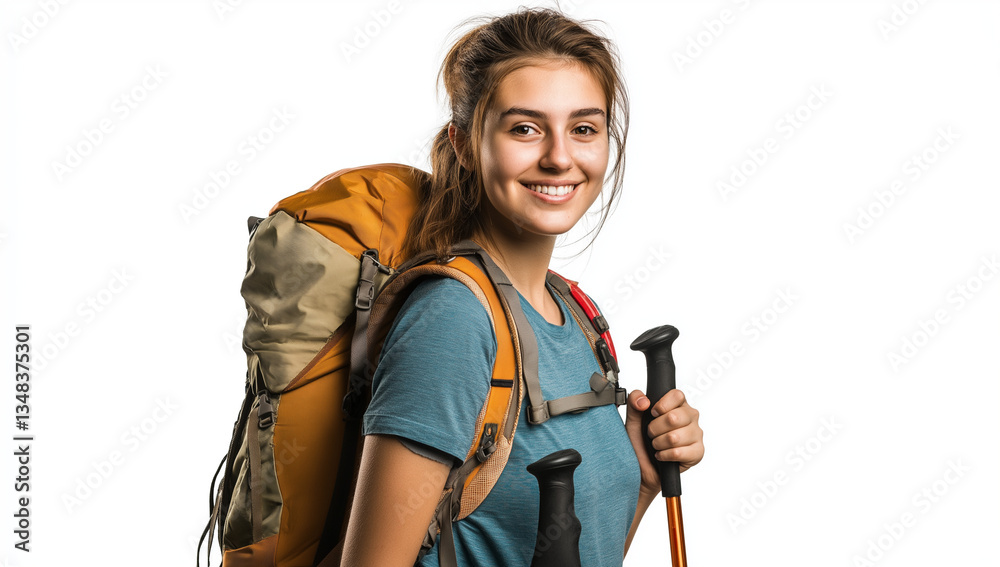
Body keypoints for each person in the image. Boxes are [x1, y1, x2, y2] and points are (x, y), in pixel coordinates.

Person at [340, 7, 704, 566]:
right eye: (525, 129)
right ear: (463, 144)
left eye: (583, 128)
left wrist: (643, 480)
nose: (559, 157)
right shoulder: (454, 319)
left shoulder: (577, 313)